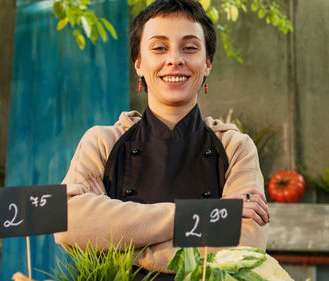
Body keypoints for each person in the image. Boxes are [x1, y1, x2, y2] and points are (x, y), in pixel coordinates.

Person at [54, 0, 270, 279]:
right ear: (139, 64)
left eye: (190, 47)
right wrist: (205, 215)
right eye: (159, 47)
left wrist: (119, 249)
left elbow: (245, 246)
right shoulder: (103, 142)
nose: (174, 59)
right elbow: (66, 220)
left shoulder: (235, 147)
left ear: (207, 64)